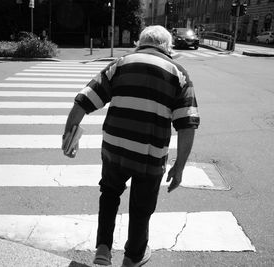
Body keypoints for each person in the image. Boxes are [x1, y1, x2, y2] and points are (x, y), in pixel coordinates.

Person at [62, 25, 200, 267]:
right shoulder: (179, 73)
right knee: (141, 206)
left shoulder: (121, 63)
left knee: (109, 193)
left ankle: (103, 249)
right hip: (150, 154)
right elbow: (187, 124)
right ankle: (132, 257)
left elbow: (84, 99)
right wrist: (179, 167)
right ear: (167, 47)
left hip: (115, 149)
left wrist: (69, 136)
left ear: (140, 42)